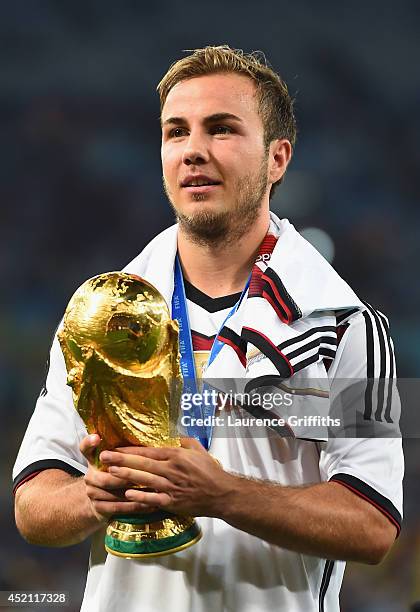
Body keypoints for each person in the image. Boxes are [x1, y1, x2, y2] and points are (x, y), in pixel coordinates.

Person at [13, 45, 403, 612]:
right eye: (177, 132)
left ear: (277, 158)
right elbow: (33, 503)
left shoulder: (345, 326)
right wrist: (92, 497)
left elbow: (373, 525)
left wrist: (221, 495)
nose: (193, 150)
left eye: (221, 129)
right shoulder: (99, 315)